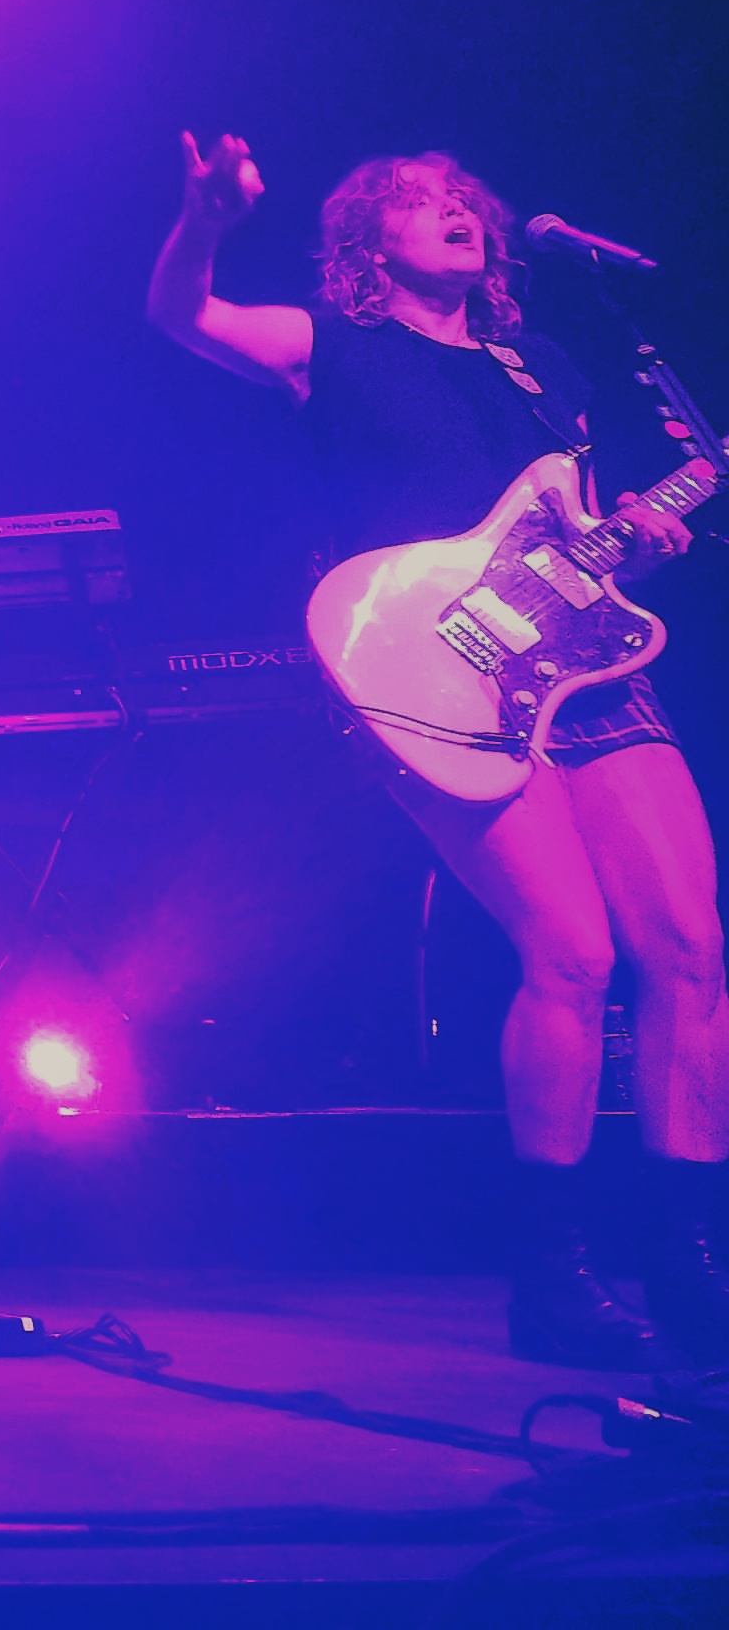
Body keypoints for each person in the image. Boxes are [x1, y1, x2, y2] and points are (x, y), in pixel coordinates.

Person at [148, 133, 723, 1364]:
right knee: (571, 953)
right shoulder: (328, 342)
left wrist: (639, 534)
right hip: (434, 670)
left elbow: (566, 529)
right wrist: (206, 220)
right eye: (419, 201)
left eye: (464, 197)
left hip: (584, 666)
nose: (454, 210)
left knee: (687, 948)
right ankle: (552, 1279)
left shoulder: (541, 366)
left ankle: (689, 1264)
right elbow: (183, 315)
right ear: (371, 241)